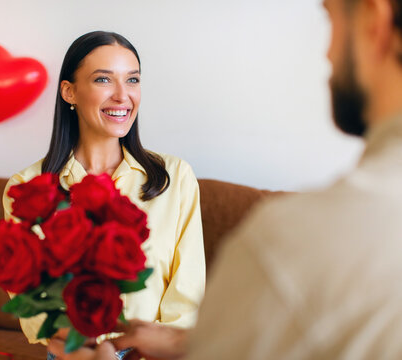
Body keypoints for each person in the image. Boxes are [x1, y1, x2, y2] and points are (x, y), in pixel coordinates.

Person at [46, 0, 402, 358]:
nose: (326, 52)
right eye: (104, 79)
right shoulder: (33, 188)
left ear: (375, 20)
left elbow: (192, 304)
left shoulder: (285, 241)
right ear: (69, 92)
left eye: (330, 17)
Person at [2, 31, 205, 359]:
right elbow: (30, 300)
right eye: (103, 80)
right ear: (70, 91)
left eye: (133, 80)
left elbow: (188, 294)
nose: (123, 96)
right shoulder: (26, 188)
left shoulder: (175, 178)